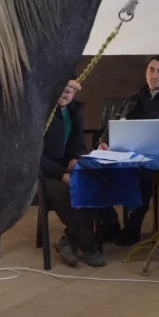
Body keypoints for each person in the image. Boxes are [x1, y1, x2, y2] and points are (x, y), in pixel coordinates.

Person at [99, 55, 159, 247]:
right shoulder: (134, 98)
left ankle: (133, 225)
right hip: (125, 154)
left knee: (145, 175)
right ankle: (111, 222)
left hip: (154, 159)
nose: (154, 75)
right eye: (151, 70)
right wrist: (104, 142)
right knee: (94, 171)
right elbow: (115, 122)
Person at [40, 80, 105, 268]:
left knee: (91, 185)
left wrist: (76, 158)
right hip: (41, 172)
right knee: (64, 192)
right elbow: (35, 155)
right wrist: (61, 174)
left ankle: (68, 241)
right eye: (59, 89)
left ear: (75, 91)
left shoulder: (75, 112)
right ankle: (88, 245)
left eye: (68, 91)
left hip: (63, 169)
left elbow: (78, 145)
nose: (63, 94)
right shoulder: (43, 112)